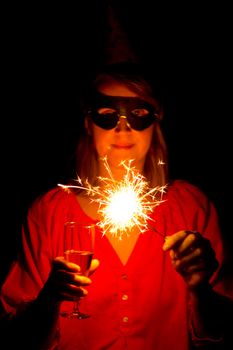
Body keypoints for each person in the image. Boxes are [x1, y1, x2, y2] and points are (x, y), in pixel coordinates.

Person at [0, 61, 232, 350]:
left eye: (138, 114)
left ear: (156, 120)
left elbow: (221, 332)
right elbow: (16, 338)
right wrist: (49, 299)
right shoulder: (49, 213)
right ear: (88, 122)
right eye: (107, 115)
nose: (123, 128)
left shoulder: (191, 208)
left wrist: (201, 291)